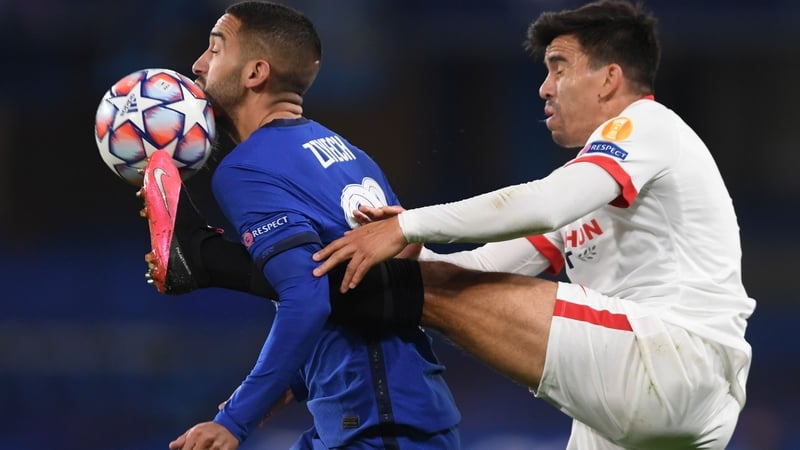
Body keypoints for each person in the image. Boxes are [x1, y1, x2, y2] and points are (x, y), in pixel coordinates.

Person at [144, 0, 753, 448]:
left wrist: (406, 229)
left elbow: (545, 204)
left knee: (414, 283)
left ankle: (205, 259)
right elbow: (473, 273)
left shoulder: (644, 126)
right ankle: (206, 261)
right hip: (666, 405)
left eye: (560, 68)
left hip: (674, 355)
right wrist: (397, 258)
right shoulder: (606, 188)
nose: (544, 87)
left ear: (611, 77)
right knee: (424, 283)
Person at [140, 2, 461, 449]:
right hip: (387, 412)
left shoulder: (248, 168)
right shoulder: (348, 152)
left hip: (376, 426)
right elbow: (380, 279)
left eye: (215, 50)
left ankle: (201, 258)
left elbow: (306, 298)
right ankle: (200, 258)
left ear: (255, 73)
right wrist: (291, 384)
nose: (197, 66)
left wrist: (234, 421)